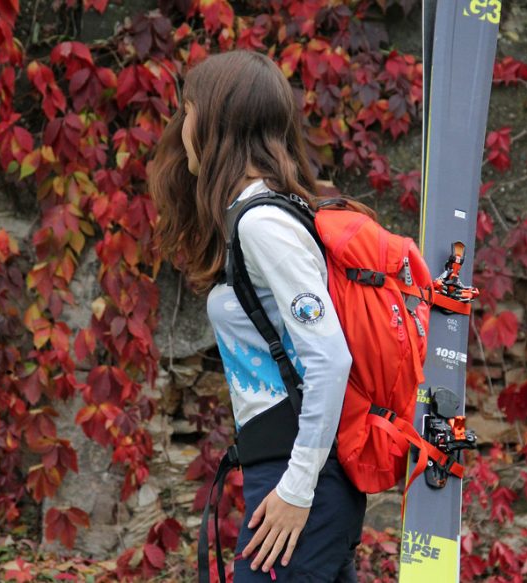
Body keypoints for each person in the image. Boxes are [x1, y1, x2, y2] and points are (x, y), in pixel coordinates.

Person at [149, 50, 367, 582]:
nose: (182, 128)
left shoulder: (262, 223)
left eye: (188, 111)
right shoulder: (262, 213)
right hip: (294, 472)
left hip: (301, 480)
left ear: (216, 121)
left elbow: (329, 358)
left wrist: (296, 488)